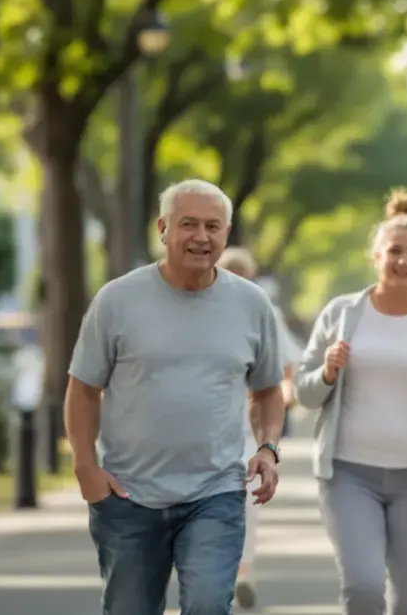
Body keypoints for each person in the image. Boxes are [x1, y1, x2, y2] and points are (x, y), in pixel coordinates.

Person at [65, 179, 286, 615]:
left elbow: (267, 392)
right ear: (163, 228)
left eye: (213, 226)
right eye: (188, 224)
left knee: (207, 605)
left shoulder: (252, 304)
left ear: (226, 233)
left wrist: (267, 448)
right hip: (128, 496)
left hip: (215, 491)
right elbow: (84, 389)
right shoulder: (117, 300)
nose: (201, 237)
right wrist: (85, 466)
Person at [294, 189, 407, 615]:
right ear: (375, 255)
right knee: (363, 589)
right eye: (394, 251)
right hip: (348, 476)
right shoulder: (342, 313)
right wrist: (326, 372)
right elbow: (303, 392)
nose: (404, 260)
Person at [215, 247, 304, 610]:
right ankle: (235, 571)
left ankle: (238, 572)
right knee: (239, 501)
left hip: (246, 422)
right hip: (218, 424)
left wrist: (281, 398)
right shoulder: (197, 308)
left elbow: (286, 365)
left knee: (242, 499)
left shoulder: (262, 311)